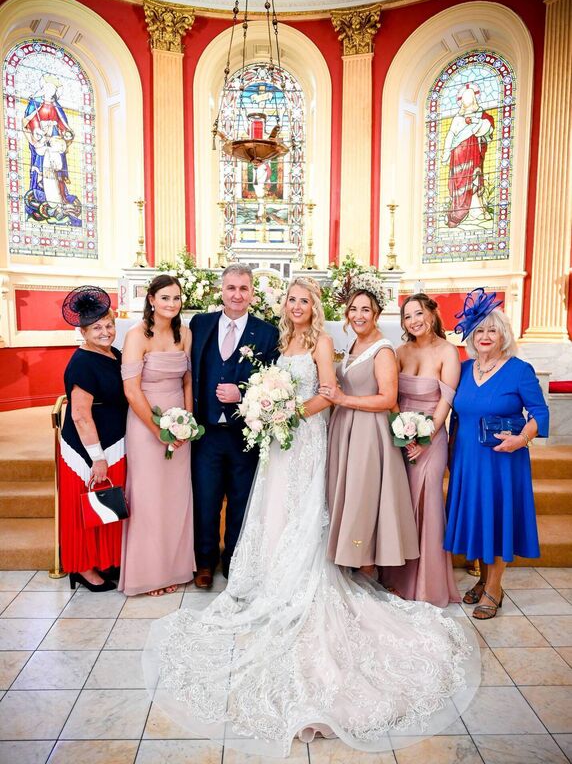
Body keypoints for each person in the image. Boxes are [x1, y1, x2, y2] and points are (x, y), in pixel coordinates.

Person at [142, 277, 480, 758]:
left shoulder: (323, 342)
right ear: (283, 305)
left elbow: (326, 392)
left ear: (315, 307)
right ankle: (267, 577)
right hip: (281, 441)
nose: (297, 305)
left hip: (304, 436)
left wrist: (285, 413)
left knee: (303, 509)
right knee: (273, 507)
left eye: (304, 300)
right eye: (291, 299)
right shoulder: (281, 340)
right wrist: (268, 409)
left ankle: (299, 581)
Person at [444, 288, 550, 619]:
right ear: (471, 336)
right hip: (467, 457)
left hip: (504, 458)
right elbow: (455, 413)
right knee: (478, 516)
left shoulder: (519, 370)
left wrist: (522, 439)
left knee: (498, 518)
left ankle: (494, 587)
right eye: (480, 330)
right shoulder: (462, 369)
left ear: (503, 335)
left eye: (492, 330)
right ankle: (483, 579)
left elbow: (540, 413)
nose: (485, 336)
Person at [189, 263, 279, 588]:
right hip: (207, 432)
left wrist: (241, 393)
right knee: (206, 498)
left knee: (241, 499)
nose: (237, 295)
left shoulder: (267, 332)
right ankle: (204, 561)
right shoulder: (200, 324)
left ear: (252, 293)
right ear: (221, 291)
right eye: (231, 288)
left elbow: (273, 382)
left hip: (245, 432)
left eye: (243, 289)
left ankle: (234, 560)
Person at [322, 278, 419, 577]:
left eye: (366, 309)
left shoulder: (383, 349)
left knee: (364, 497)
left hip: (368, 432)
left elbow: (387, 398)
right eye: (353, 309)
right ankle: (349, 561)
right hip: (346, 429)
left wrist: (342, 398)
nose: (359, 315)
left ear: (377, 313)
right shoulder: (354, 343)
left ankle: (366, 569)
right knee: (348, 493)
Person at [381, 293, 461, 607]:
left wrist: (424, 439)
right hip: (402, 438)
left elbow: (446, 402)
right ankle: (397, 578)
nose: (413, 321)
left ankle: (427, 584)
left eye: (418, 313)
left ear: (431, 313)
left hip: (432, 438)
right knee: (400, 503)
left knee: (426, 504)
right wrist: (403, 432)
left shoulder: (447, 352)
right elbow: (391, 396)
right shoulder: (400, 351)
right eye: (407, 316)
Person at [119, 275, 195, 596]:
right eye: (165, 298)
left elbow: (188, 380)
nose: (171, 304)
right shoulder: (137, 336)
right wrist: (158, 430)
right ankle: (149, 574)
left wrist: (187, 422)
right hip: (146, 423)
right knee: (148, 498)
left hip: (179, 425)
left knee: (176, 497)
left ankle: (174, 567)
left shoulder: (186, 334)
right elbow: (132, 391)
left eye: (176, 298)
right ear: (151, 299)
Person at [59, 286, 127, 591]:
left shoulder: (114, 354)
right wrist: (97, 457)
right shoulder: (82, 362)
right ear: (83, 332)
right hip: (87, 450)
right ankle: (83, 567)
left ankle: (103, 560)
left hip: (114, 442)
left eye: (109, 325)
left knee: (105, 505)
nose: (106, 332)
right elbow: (80, 415)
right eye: (97, 328)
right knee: (83, 507)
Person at [22, 74, 81, 226]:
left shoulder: (57, 106)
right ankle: (43, 201)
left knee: (57, 171)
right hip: (41, 140)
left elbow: (62, 123)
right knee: (42, 170)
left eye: (53, 89)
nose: (50, 91)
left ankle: (61, 201)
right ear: (43, 88)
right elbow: (30, 120)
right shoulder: (35, 103)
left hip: (55, 140)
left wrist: (66, 132)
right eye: (48, 87)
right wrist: (36, 130)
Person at [441, 83, 494, 227]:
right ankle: (457, 211)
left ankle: (475, 213)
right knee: (458, 184)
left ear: (475, 98)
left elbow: (487, 128)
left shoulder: (481, 115)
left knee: (473, 181)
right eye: (464, 97)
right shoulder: (457, 118)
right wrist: (446, 152)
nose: (466, 99)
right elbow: (451, 135)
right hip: (457, 156)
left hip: (472, 154)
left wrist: (477, 123)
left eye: (469, 96)